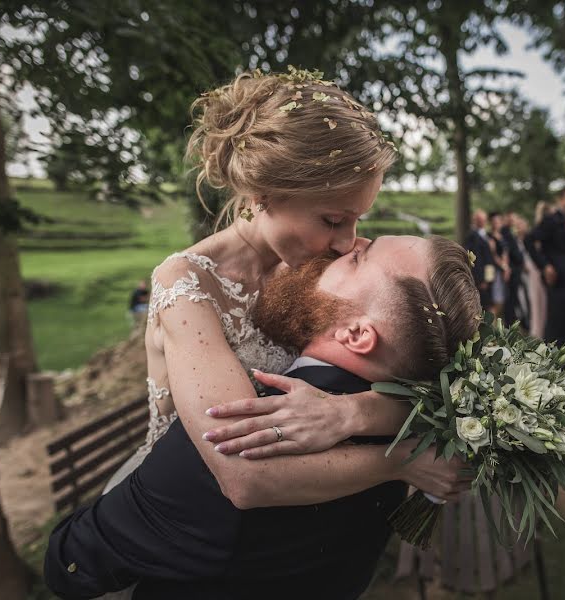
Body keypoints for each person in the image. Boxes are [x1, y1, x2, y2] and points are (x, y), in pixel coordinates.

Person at [45, 236, 483, 599]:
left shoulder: (241, 432)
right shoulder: (413, 430)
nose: (352, 240)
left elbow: (76, 560)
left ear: (356, 334)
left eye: (358, 258)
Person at [100, 68, 410, 502]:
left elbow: (417, 375)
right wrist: (404, 461)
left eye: (358, 219)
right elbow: (242, 475)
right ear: (263, 191)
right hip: (183, 515)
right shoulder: (187, 286)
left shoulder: (334, 265)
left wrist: (352, 414)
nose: (347, 242)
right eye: (334, 220)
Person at [526, 187, 565, 352]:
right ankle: (553, 365)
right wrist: (545, 266)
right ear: (561, 200)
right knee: (556, 325)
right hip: (557, 279)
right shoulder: (551, 220)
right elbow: (529, 241)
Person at [515, 215, 546, 338]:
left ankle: (532, 325)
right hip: (521, 273)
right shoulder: (514, 240)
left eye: (521, 225)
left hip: (532, 272)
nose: (519, 228)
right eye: (517, 225)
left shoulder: (531, 240)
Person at [464, 209, 497, 311]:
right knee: (483, 305)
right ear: (475, 220)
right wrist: (480, 279)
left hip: (489, 273)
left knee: (490, 302)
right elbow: (475, 259)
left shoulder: (485, 235)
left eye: (484, 219)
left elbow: (489, 257)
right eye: (481, 220)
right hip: (481, 276)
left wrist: (489, 278)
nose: (484, 222)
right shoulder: (473, 236)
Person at [488, 211, 510, 316]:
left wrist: (506, 267)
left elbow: (505, 253)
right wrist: (504, 267)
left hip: (504, 271)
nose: (497, 223)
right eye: (495, 221)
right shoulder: (489, 237)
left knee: (503, 300)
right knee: (497, 299)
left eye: (499, 221)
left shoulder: (502, 236)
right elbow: (493, 255)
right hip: (495, 271)